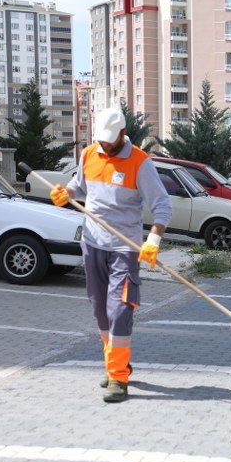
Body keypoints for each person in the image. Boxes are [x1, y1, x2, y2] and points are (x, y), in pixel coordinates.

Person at [50, 107, 173, 403]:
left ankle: (118, 377)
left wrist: (153, 240)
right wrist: (66, 194)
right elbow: (79, 188)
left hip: (124, 249)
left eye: (110, 140)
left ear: (123, 134)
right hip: (92, 244)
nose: (105, 145)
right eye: (101, 140)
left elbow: (162, 206)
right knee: (100, 310)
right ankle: (114, 363)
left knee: (119, 310)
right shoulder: (89, 154)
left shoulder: (140, 163)